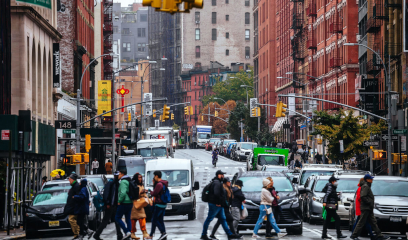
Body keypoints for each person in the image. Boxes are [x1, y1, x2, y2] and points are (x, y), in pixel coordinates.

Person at [200, 170, 241, 240]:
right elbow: (216, 193)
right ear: (218, 175)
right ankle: (204, 234)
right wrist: (218, 202)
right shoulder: (217, 183)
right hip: (215, 204)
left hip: (219, 205)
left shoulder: (218, 182)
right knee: (209, 219)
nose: (223, 176)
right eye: (222, 175)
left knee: (223, 219)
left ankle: (230, 234)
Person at [350, 174, 388, 240]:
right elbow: (363, 196)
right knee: (361, 222)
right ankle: (354, 235)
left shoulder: (367, 186)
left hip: (368, 208)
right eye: (371, 179)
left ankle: (379, 235)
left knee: (373, 222)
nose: (372, 180)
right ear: (367, 179)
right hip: (366, 208)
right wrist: (369, 202)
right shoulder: (365, 186)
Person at [94, 171, 123, 240]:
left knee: (116, 220)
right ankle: (97, 234)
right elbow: (106, 194)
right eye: (117, 176)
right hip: (110, 205)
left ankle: (119, 234)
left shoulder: (116, 183)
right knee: (106, 221)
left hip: (114, 205)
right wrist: (107, 203)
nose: (118, 177)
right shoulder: (111, 183)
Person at [145, 171, 169, 240]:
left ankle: (163, 232)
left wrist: (149, 191)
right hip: (163, 204)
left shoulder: (159, 184)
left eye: (154, 176)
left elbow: (154, 193)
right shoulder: (163, 183)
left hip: (159, 204)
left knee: (154, 219)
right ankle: (162, 235)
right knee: (160, 220)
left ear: (156, 176)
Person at [131, 173, 150, 239]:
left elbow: (144, 194)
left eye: (141, 177)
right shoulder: (134, 185)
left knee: (142, 218)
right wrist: (140, 192)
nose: (140, 179)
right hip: (135, 204)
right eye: (139, 177)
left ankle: (144, 232)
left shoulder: (141, 185)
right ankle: (132, 233)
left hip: (141, 204)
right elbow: (134, 195)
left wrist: (148, 199)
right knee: (133, 219)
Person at [115, 169, 133, 240]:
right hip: (130, 202)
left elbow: (123, 192)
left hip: (124, 202)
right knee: (128, 218)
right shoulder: (129, 180)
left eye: (119, 174)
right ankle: (129, 234)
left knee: (117, 217)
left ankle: (126, 231)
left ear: (122, 174)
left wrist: (119, 200)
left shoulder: (123, 182)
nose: (118, 176)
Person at [64, 173, 82, 240]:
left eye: (69, 179)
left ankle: (77, 233)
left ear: (72, 179)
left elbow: (78, 197)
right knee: (73, 220)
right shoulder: (74, 186)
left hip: (74, 207)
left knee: (71, 219)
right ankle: (78, 233)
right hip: (72, 207)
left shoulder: (76, 186)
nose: (69, 180)